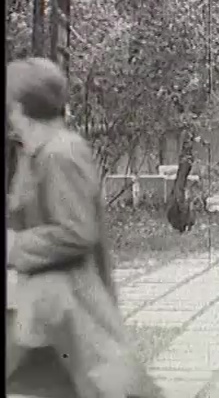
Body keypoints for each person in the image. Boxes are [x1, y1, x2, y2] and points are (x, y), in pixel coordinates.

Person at [6, 57, 162, 398]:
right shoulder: (36, 152)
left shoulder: (61, 153)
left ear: (20, 106)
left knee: (105, 383)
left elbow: (76, 232)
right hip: (48, 307)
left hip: (72, 301)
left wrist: (14, 246)